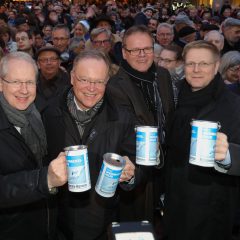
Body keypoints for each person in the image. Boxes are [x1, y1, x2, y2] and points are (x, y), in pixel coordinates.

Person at [43, 49, 138, 240]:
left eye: (98, 81)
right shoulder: (48, 113)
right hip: (57, 220)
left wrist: (130, 174)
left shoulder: (123, 117)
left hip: (101, 219)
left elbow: (138, 163)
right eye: (84, 79)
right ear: (72, 78)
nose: (91, 88)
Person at [164, 40, 240, 240]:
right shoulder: (174, 95)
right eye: (190, 64)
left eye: (204, 64)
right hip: (175, 199)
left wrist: (227, 155)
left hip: (212, 207)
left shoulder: (234, 105)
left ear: (216, 67)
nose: (196, 70)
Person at [107, 25, 175, 222]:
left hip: (165, 166)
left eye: (147, 48)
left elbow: (169, 115)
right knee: (139, 224)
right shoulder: (115, 86)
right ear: (124, 53)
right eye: (135, 50)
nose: (142, 54)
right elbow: (128, 133)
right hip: (136, 170)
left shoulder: (162, 75)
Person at [0, 51, 67, 240]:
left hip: (46, 226)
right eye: (16, 82)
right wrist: (44, 180)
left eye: (29, 82)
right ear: (0, 83)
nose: (24, 90)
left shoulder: (43, 115)